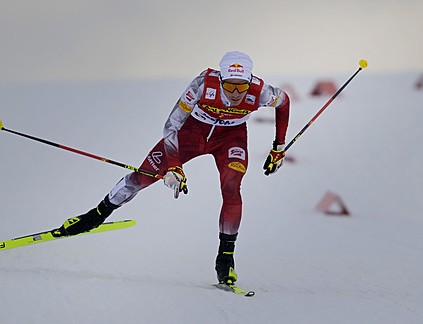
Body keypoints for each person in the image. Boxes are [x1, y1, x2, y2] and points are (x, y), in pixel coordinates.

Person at [54, 51, 290, 285]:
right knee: (141, 178)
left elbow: (284, 101)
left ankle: (225, 259)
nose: (236, 93)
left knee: (232, 187)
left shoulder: (261, 91)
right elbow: (172, 125)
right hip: (191, 134)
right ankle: (95, 216)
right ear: (220, 79)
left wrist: (278, 147)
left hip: (230, 138)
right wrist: (174, 167)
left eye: (242, 86)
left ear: (250, 81)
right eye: (230, 86)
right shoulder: (202, 85)